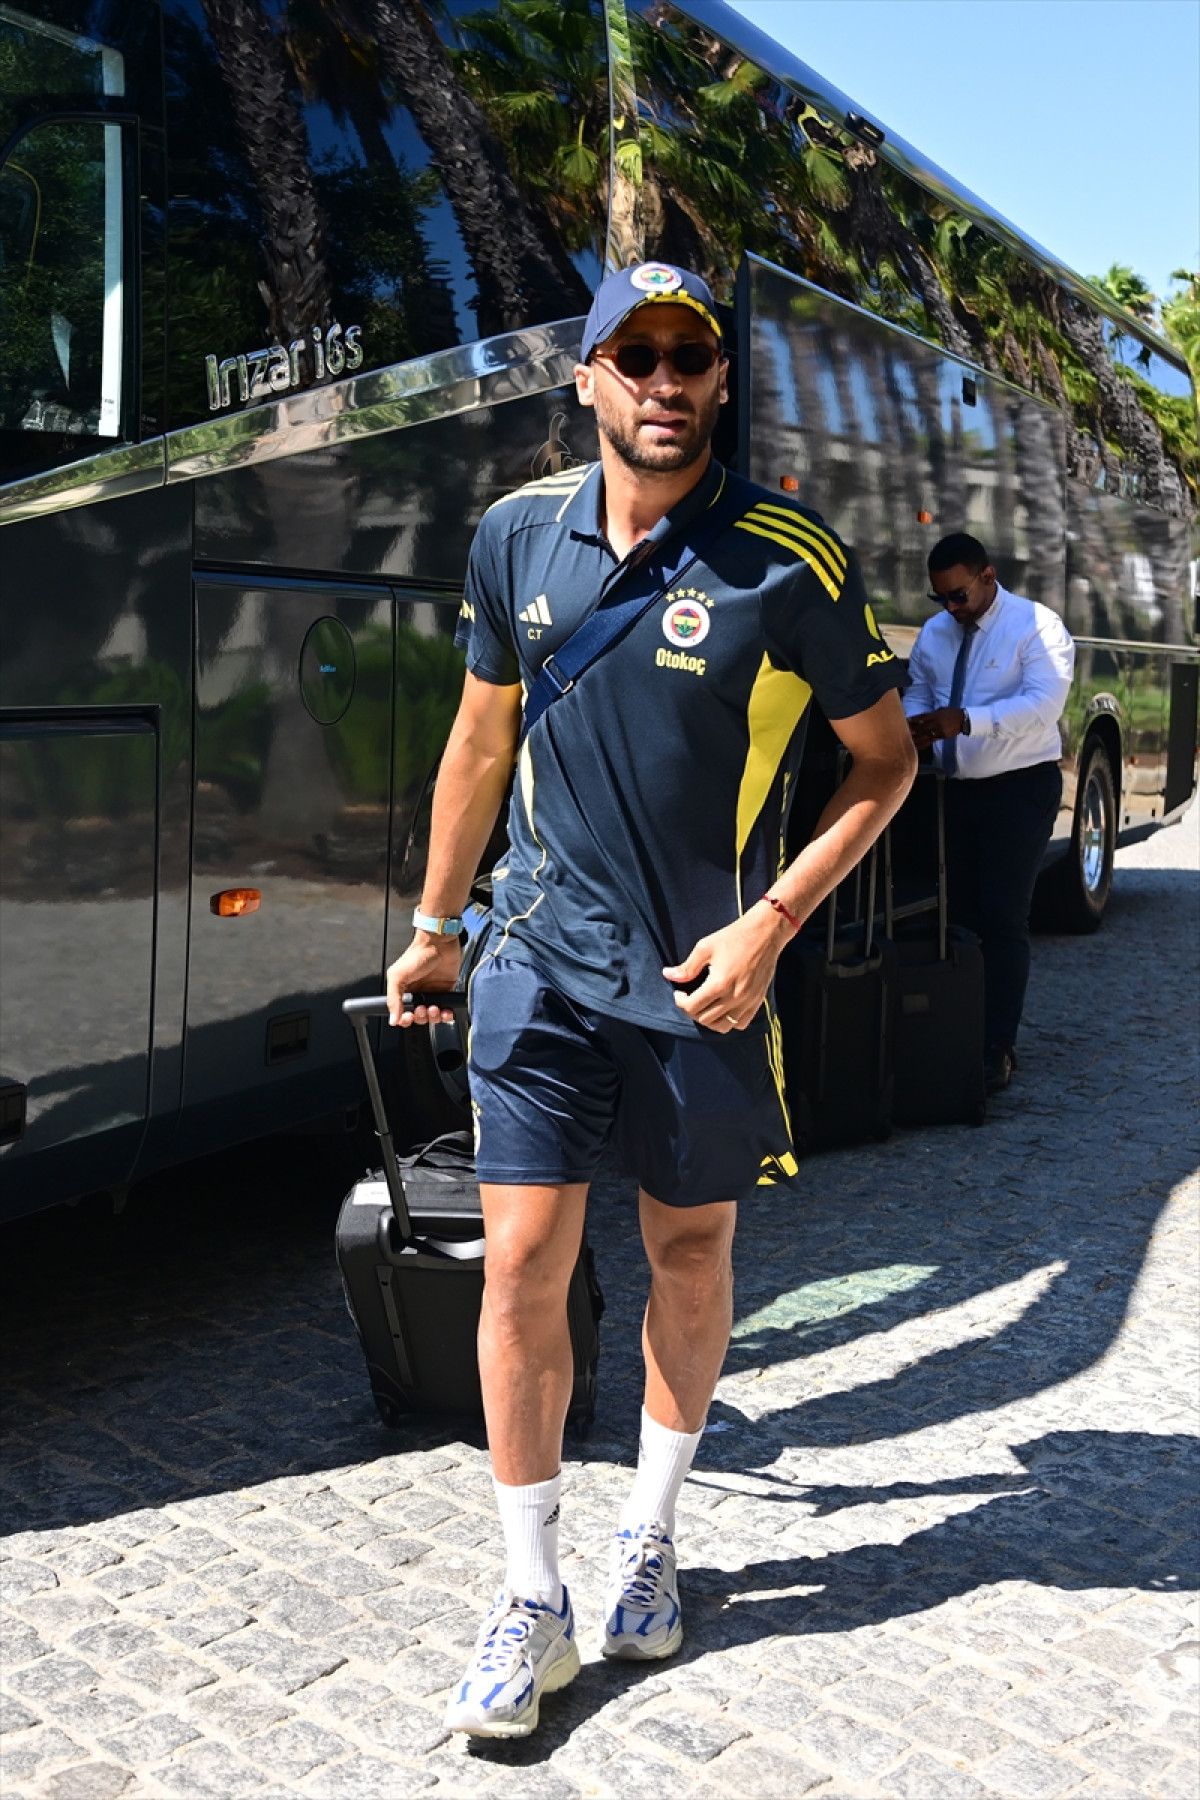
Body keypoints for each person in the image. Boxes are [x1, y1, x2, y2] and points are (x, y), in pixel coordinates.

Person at [385, 260, 916, 1739]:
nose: (665, 381)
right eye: (637, 356)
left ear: (720, 380)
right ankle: (530, 1594)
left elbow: (885, 763)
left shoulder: (788, 558)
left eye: (690, 356)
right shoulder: (514, 534)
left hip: (704, 982)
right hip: (535, 955)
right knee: (518, 1268)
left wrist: (772, 926)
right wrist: (435, 926)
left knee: (688, 1253)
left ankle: (650, 1539)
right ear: (589, 378)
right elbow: (479, 741)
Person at [904, 532, 1075, 1093]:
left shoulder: (1037, 627)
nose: (951, 608)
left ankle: (996, 1047)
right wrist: (914, 725)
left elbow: (1043, 706)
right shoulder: (935, 632)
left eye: (959, 595)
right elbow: (921, 691)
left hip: (1020, 789)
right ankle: (957, 1032)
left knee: (1003, 917)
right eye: (940, 598)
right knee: (957, 916)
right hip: (954, 792)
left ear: (988, 577)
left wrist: (968, 721)